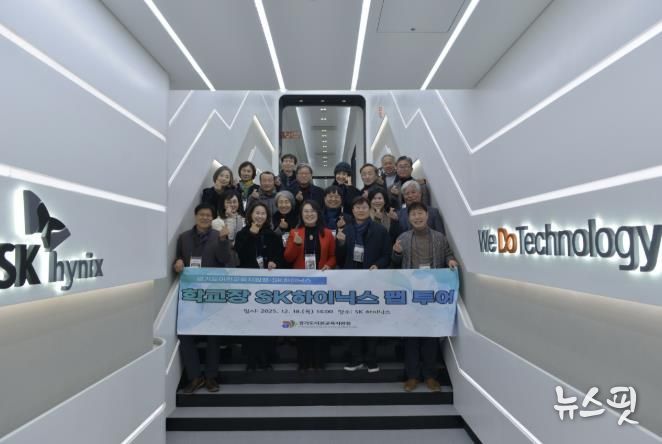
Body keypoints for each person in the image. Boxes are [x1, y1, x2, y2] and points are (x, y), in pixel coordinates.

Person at [391, 202, 458, 393]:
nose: (417, 217)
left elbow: (448, 254)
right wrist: (396, 252)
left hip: (433, 292)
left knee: (430, 335)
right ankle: (412, 376)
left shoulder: (439, 237)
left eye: (420, 213)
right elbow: (394, 263)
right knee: (411, 336)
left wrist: (450, 261)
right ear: (409, 218)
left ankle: (430, 376)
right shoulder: (403, 238)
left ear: (427, 216)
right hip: (411, 293)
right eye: (413, 214)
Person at [173, 203, 235, 393]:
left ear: (212, 218)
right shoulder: (184, 237)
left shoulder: (218, 236)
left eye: (209, 215)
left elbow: (225, 260)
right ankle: (194, 377)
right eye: (202, 214)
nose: (205, 218)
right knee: (185, 334)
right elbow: (179, 258)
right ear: (195, 216)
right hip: (190, 293)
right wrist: (178, 262)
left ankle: (210, 377)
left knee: (213, 335)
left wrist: (224, 240)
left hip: (213, 292)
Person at [336, 197, 391, 373]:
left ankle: (371, 359)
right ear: (352, 211)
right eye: (357, 207)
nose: (360, 210)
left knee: (372, 319)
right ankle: (356, 358)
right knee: (353, 320)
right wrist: (341, 243)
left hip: (372, 281)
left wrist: (378, 265)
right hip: (351, 281)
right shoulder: (346, 230)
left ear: (370, 209)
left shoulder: (380, 230)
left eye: (364, 207)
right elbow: (339, 259)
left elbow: (387, 255)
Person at [284, 201, 336, 370]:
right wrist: (296, 244)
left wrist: (329, 265)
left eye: (312, 211)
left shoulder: (327, 233)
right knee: (302, 323)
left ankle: (320, 360)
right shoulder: (295, 232)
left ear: (318, 213)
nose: (309, 214)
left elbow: (333, 256)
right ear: (301, 214)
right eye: (306, 211)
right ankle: (304, 361)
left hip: (321, 285)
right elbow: (288, 258)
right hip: (301, 286)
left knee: (321, 322)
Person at [233, 202, 284, 371]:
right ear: (250, 215)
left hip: (268, 285)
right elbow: (239, 255)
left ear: (267, 216)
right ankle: (251, 359)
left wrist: (274, 262)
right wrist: (251, 235)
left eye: (263, 213)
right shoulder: (242, 234)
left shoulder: (272, 234)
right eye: (257, 213)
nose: (260, 216)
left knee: (267, 320)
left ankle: (266, 358)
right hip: (248, 284)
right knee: (250, 320)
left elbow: (279, 256)